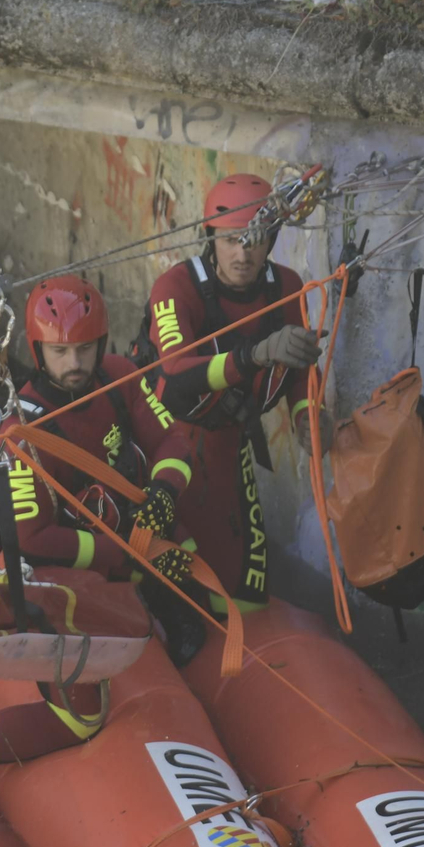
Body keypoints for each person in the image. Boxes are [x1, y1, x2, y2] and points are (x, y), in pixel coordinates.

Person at [0, 274, 206, 826]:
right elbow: (36, 541)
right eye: (60, 353)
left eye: (84, 349)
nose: (74, 363)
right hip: (46, 570)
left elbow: (174, 439)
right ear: (37, 352)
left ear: (102, 345)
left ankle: (158, 602)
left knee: (187, 590)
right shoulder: (22, 426)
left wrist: (164, 491)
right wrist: (132, 557)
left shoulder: (119, 379)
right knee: (80, 720)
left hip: (106, 536)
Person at [141, 173, 333, 617]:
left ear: (271, 240)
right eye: (230, 240)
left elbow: (303, 366)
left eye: (255, 239)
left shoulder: (286, 286)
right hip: (167, 435)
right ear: (210, 237)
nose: (242, 253)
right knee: (164, 566)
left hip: (231, 439)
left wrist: (308, 413)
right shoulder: (175, 287)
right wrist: (255, 355)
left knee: (247, 593)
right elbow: (175, 372)